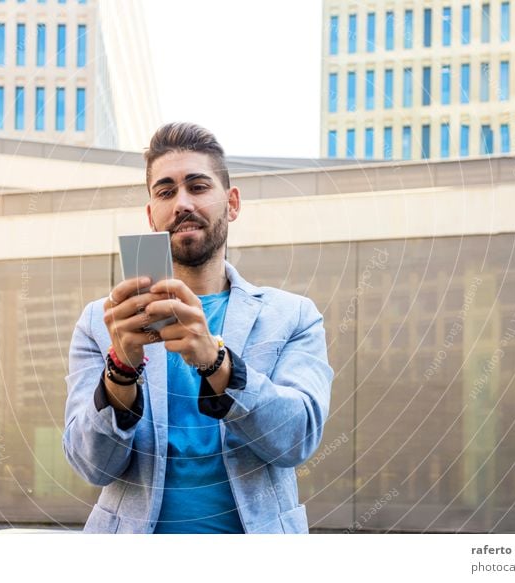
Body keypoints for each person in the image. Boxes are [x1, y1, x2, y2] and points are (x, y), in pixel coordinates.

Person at [63, 122, 333, 534]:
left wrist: (216, 361)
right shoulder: (103, 323)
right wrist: (120, 369)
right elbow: (91, 465)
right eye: (166, 191)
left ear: (233, 203)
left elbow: (296, 440)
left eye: (198, 186)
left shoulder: (293, 316)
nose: (182, 203)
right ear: (151, 215)